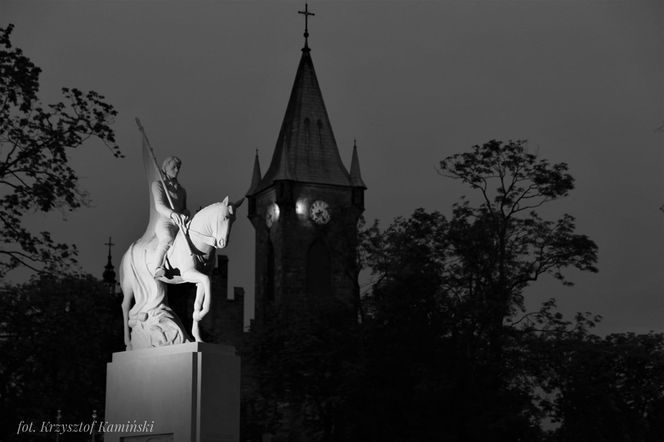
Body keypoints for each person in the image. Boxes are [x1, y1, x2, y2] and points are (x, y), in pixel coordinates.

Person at [152, 156, 189, 278]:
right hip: (165, 221)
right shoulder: (158, 185)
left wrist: (186, 213)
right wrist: (172, 214)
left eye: (178, 167)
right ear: (165, 168)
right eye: (173, 167)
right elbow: (159, 205)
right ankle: (157, 267)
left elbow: (184, 208)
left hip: (179, 224)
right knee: (167, 239)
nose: (177, 170)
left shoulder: (182, 191)